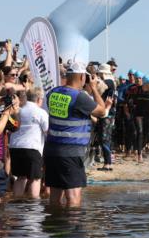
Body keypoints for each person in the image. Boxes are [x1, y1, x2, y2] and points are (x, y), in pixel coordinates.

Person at [43, 60, 107, 207]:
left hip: (51, 150)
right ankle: (73, 228)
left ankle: (55, 225)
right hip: (71, 153)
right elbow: (102, 111)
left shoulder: (52, 93)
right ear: (82, 77)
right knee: (73, 197)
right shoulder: (79, 97)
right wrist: (94, 88)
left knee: (55, 195)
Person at [9, 87, 49, 198]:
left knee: (20, 177)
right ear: (39, 99)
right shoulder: (41, 112)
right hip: (32, 148)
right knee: (35, 179)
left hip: (15, 147)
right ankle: (33, 207)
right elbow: (47, 131)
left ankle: (16, 204)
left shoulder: (20, 110)